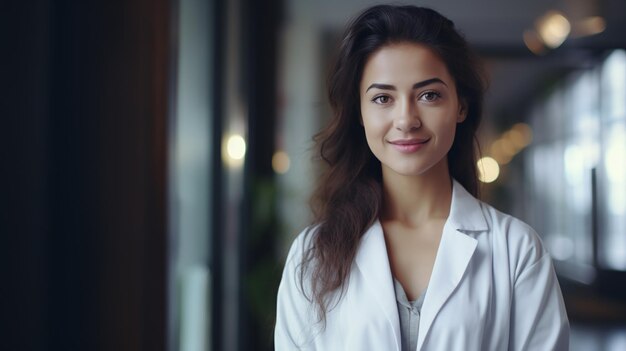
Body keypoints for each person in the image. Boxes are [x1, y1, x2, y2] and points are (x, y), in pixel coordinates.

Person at [274, 4, 569, 351]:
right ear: (360, 113)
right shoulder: (313, 253)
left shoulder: (517, 250)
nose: (406, 119)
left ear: (460, 105)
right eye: (383, 98)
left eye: (429, 95)